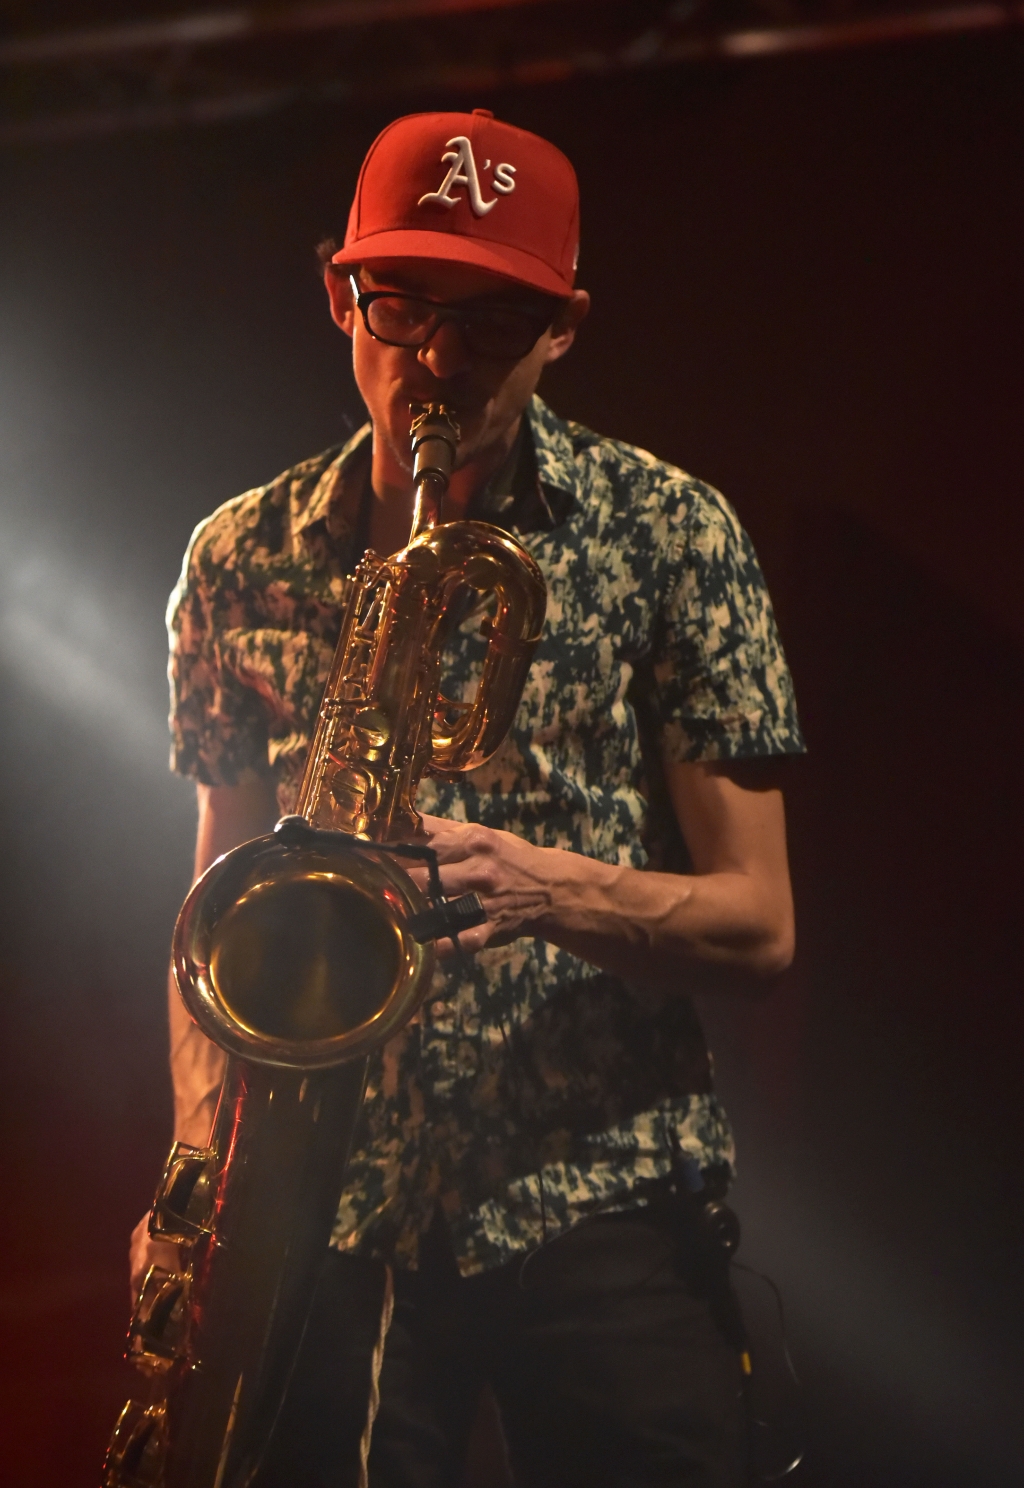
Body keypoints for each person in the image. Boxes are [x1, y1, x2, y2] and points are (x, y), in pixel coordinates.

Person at [131, 109, 804, 1488]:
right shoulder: (239, 556)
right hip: (336, 1209)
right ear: (340, 293)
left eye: (493, 322)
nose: (438, 359)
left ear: (567, 324)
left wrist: (539, 885)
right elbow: (215, 914)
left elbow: (761, 927)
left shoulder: (672, 532)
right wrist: (200, 1173)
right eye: (405, 307)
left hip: (606, 1200)